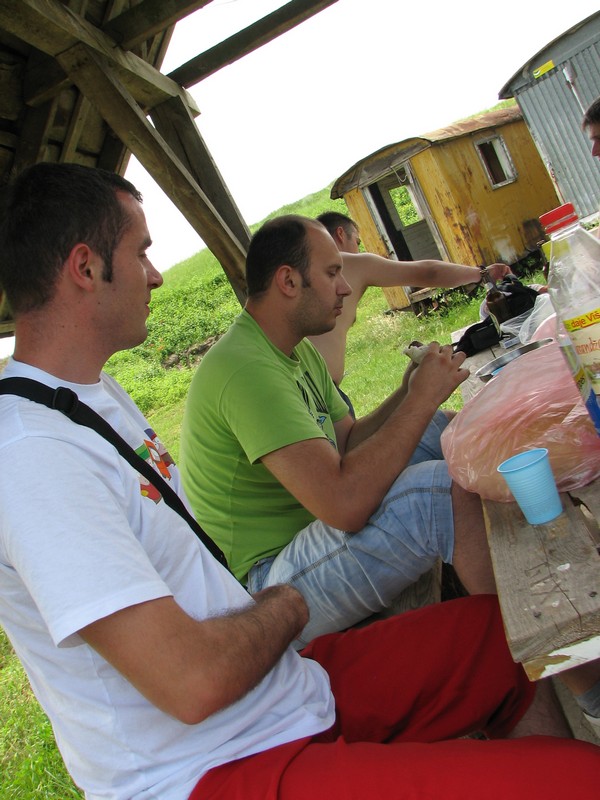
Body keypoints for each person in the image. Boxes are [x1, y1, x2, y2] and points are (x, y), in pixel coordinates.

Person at [0, 163, 598, 800]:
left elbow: (346, 445)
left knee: (499, 639)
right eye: (141, 252)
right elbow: (193, 681)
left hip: (277, 688)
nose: (156, 275)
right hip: (214, 765)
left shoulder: (91, 395)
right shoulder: (32, 452)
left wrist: (410, 397)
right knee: (579, 781)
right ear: (86, 267)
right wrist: (284, 605)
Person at [180, 215, 507, 648]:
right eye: (333, 273)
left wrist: (407, 392)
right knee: (443, 493)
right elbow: (344, 505)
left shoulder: (295, 348)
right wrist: (419, 399)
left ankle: (531, 539)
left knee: (443, 428)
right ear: (288, 281)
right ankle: (529, 642)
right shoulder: (246, 370)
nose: (347, 288)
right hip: (270, 586)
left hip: (313, 531)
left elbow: (349, 441)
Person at [313, 211, 511, 416]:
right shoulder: (349, 263)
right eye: (356, 242)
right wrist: (482, 274)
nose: (358, 250)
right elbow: (429, 272)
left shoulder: (309, 275)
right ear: (340, 235)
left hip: (321, 393)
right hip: (318, 398)